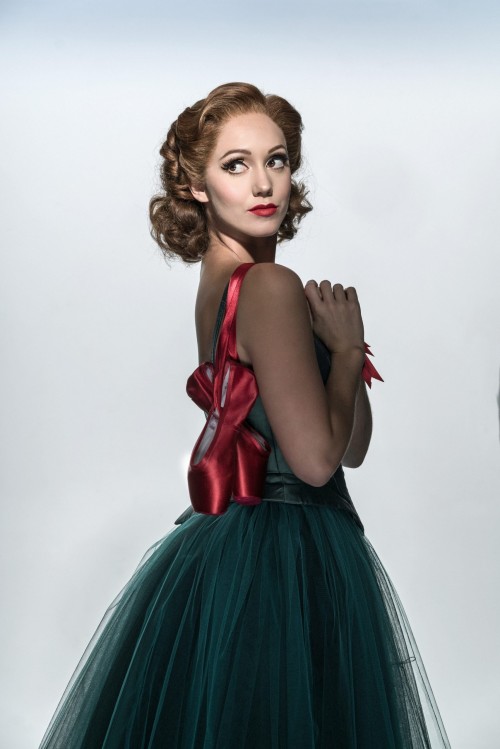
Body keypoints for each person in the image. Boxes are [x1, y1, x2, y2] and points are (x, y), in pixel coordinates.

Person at [39, 82, 451, 748]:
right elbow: (319, 460)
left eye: (277, 160)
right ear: (196, 185)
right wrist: (346, 353)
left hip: (237, 543)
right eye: (236, 164)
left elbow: (352, 446)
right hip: (289, 551)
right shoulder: (267, 286)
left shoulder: (219, 281)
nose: (263, 183)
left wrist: (340, 359)